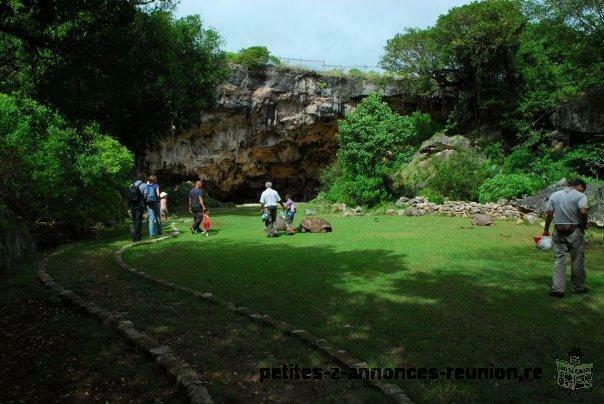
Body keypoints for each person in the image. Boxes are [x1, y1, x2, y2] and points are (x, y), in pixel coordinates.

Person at [543, 178, 589, 298]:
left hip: (558, 231)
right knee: (577, 260)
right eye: (583, 190)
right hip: (575, 231)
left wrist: (546, 229)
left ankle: (558, 289)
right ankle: (578, 287)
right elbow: (583, 212)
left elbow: (549, 214)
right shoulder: (580, 196)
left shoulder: (555, 195)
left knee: (559, 260)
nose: (583, 192)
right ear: (579, 186)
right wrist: (584, 225)